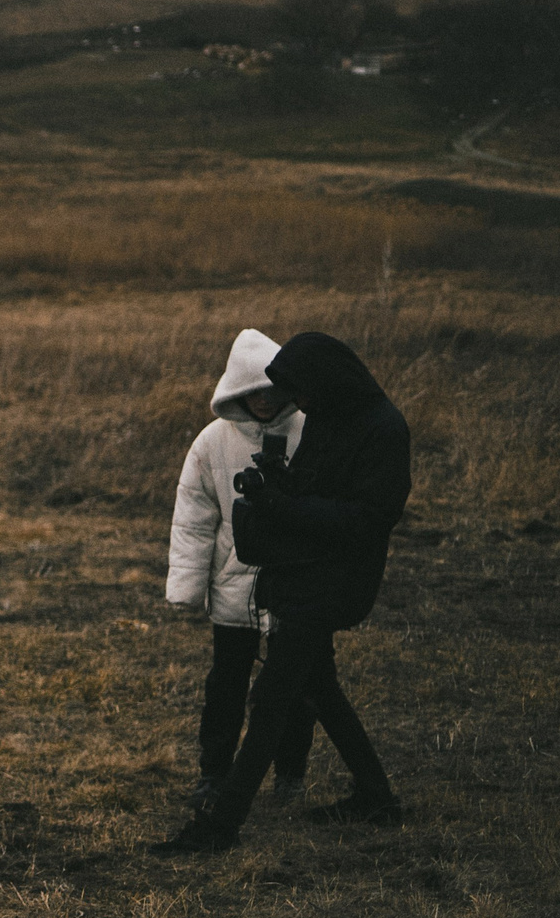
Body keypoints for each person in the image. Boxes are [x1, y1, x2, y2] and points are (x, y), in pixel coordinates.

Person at [153, 333, 409, 855]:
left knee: (271, 703)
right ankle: (376, 795)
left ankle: (219, 826)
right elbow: (313, 492)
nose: (301, 404)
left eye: (303, 392)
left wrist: (282, 504)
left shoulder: (383, 429)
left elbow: (366, 522)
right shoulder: (333, 415)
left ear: (325, 382)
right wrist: (277, 486)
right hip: (302, 573)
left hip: (336, 583)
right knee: (321, 689)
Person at [165, 329, 315, 807]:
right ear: (237, 391)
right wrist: (187, 588)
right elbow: (193, 518)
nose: (264, 401)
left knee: (296, 688)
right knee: (226, 685)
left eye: (271, 390)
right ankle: (214, 774)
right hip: (233, 591)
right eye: (253, 392)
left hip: (293, 588)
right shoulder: (212, 442)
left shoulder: (309, 432)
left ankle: (289, 774)